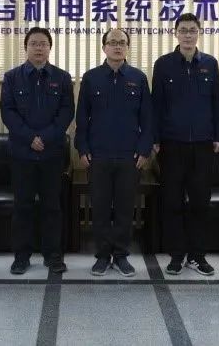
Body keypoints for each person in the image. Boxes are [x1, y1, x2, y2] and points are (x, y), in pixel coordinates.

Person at [75, 28, 152, 277]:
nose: (117, 46)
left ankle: (120, 255)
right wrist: (83, 148)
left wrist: (144, 150)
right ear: (104, 47)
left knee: (124, 208)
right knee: (99, 208)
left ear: (127, 47)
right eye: (112, 42)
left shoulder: (138, 78)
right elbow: (82, 118)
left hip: (130, 156)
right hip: (98, 155)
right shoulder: (91, 78)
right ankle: (102, 255)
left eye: (122, 42)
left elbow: (147, 118)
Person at [152, 13, 219, 276]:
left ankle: (197, 256)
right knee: (172, 202)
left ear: (199, 33)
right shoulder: (164, 64)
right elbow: (156, 105)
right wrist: (155, 139)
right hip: (172, 144)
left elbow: (217, 102)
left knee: (200, 203)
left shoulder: (210, 64)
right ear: (175, 33)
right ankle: (176, 255)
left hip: (203, 145)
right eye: (183, 30)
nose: (188, 35)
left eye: (192, 30)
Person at [1, 27, 74, 275]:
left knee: (51, 206)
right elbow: (8, 112)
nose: (39, 48)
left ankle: (53, 255)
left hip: (52, 153)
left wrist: (46, 137)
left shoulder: (62, 78)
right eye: (34, 43)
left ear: (50, 48)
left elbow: (66, 112)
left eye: (43, 43)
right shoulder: (12, 77)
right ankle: (21, 256)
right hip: (22, 153)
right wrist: (30, 138)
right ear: (26, 47)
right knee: (22, 206)